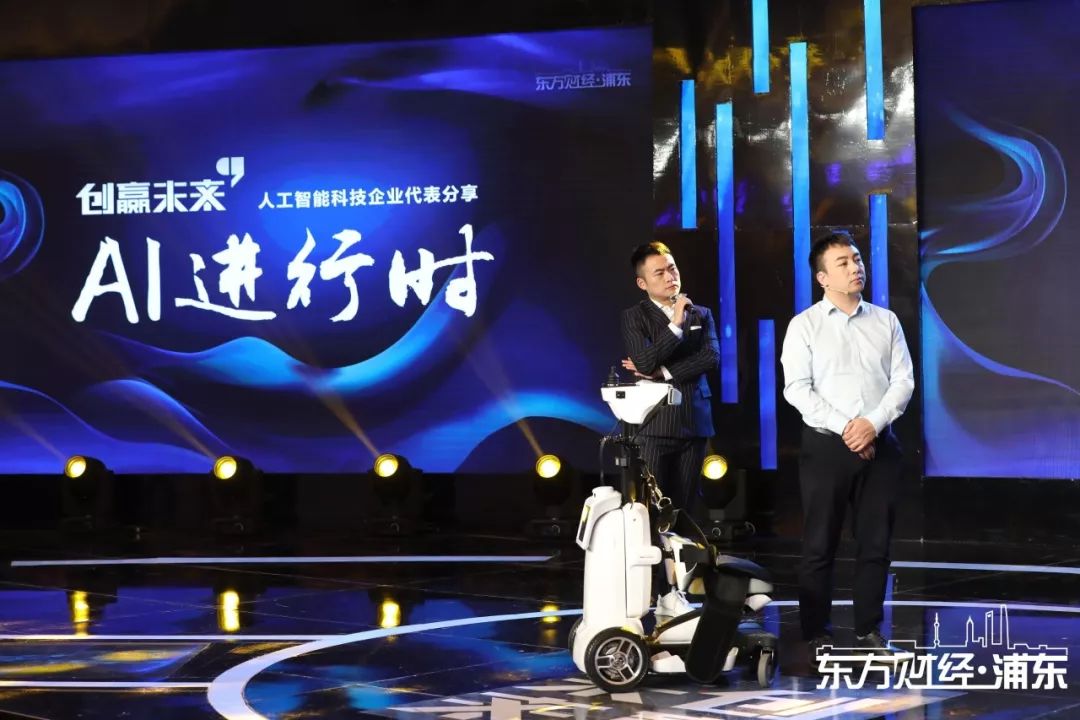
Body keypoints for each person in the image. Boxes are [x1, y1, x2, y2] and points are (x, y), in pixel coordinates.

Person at [780, 230, 915, 661]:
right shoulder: (804, 326)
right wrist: (847, 429)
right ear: (822, 277)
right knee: (819, 544)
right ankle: (815, 632)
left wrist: (872, 425)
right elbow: (797, 389)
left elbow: (903, 381)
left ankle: (868, 630)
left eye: (856, 259)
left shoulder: (886, 321)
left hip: (880, 444)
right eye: (843, 262)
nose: (855, 267)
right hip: (826, 447)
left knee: (876, 544)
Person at [620, 242, 719, 619]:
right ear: (642, 282)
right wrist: (675, 326)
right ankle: (659, 590)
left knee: (685, 510)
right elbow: (641, 358)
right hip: (654, 425)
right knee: (653, 513)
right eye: (659, 272)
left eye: (672, 268)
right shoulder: (634, 317)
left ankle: (680, 589)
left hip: (693, 422)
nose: (670, 276)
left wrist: (662, 372)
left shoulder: (702, 312)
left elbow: (711, 357)